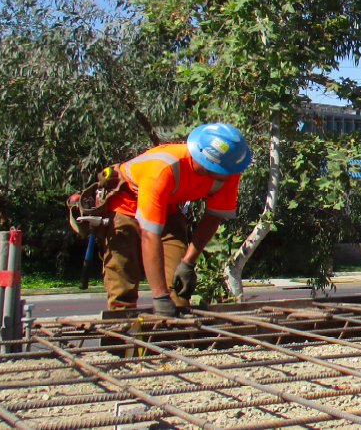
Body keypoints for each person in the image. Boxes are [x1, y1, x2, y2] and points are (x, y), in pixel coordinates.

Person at [97, 123, 251, 315]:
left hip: (168, 208)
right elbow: (149, 235)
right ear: (207, 162)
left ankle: (171, 340)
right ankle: (118, 339)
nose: (229, 174)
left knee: (178, 290)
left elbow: (213, 216)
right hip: (126, 206)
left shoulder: (228, 169)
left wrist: (188, 263)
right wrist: (159, 296)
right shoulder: (164, 168)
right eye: (224, 169)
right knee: (123, 288)